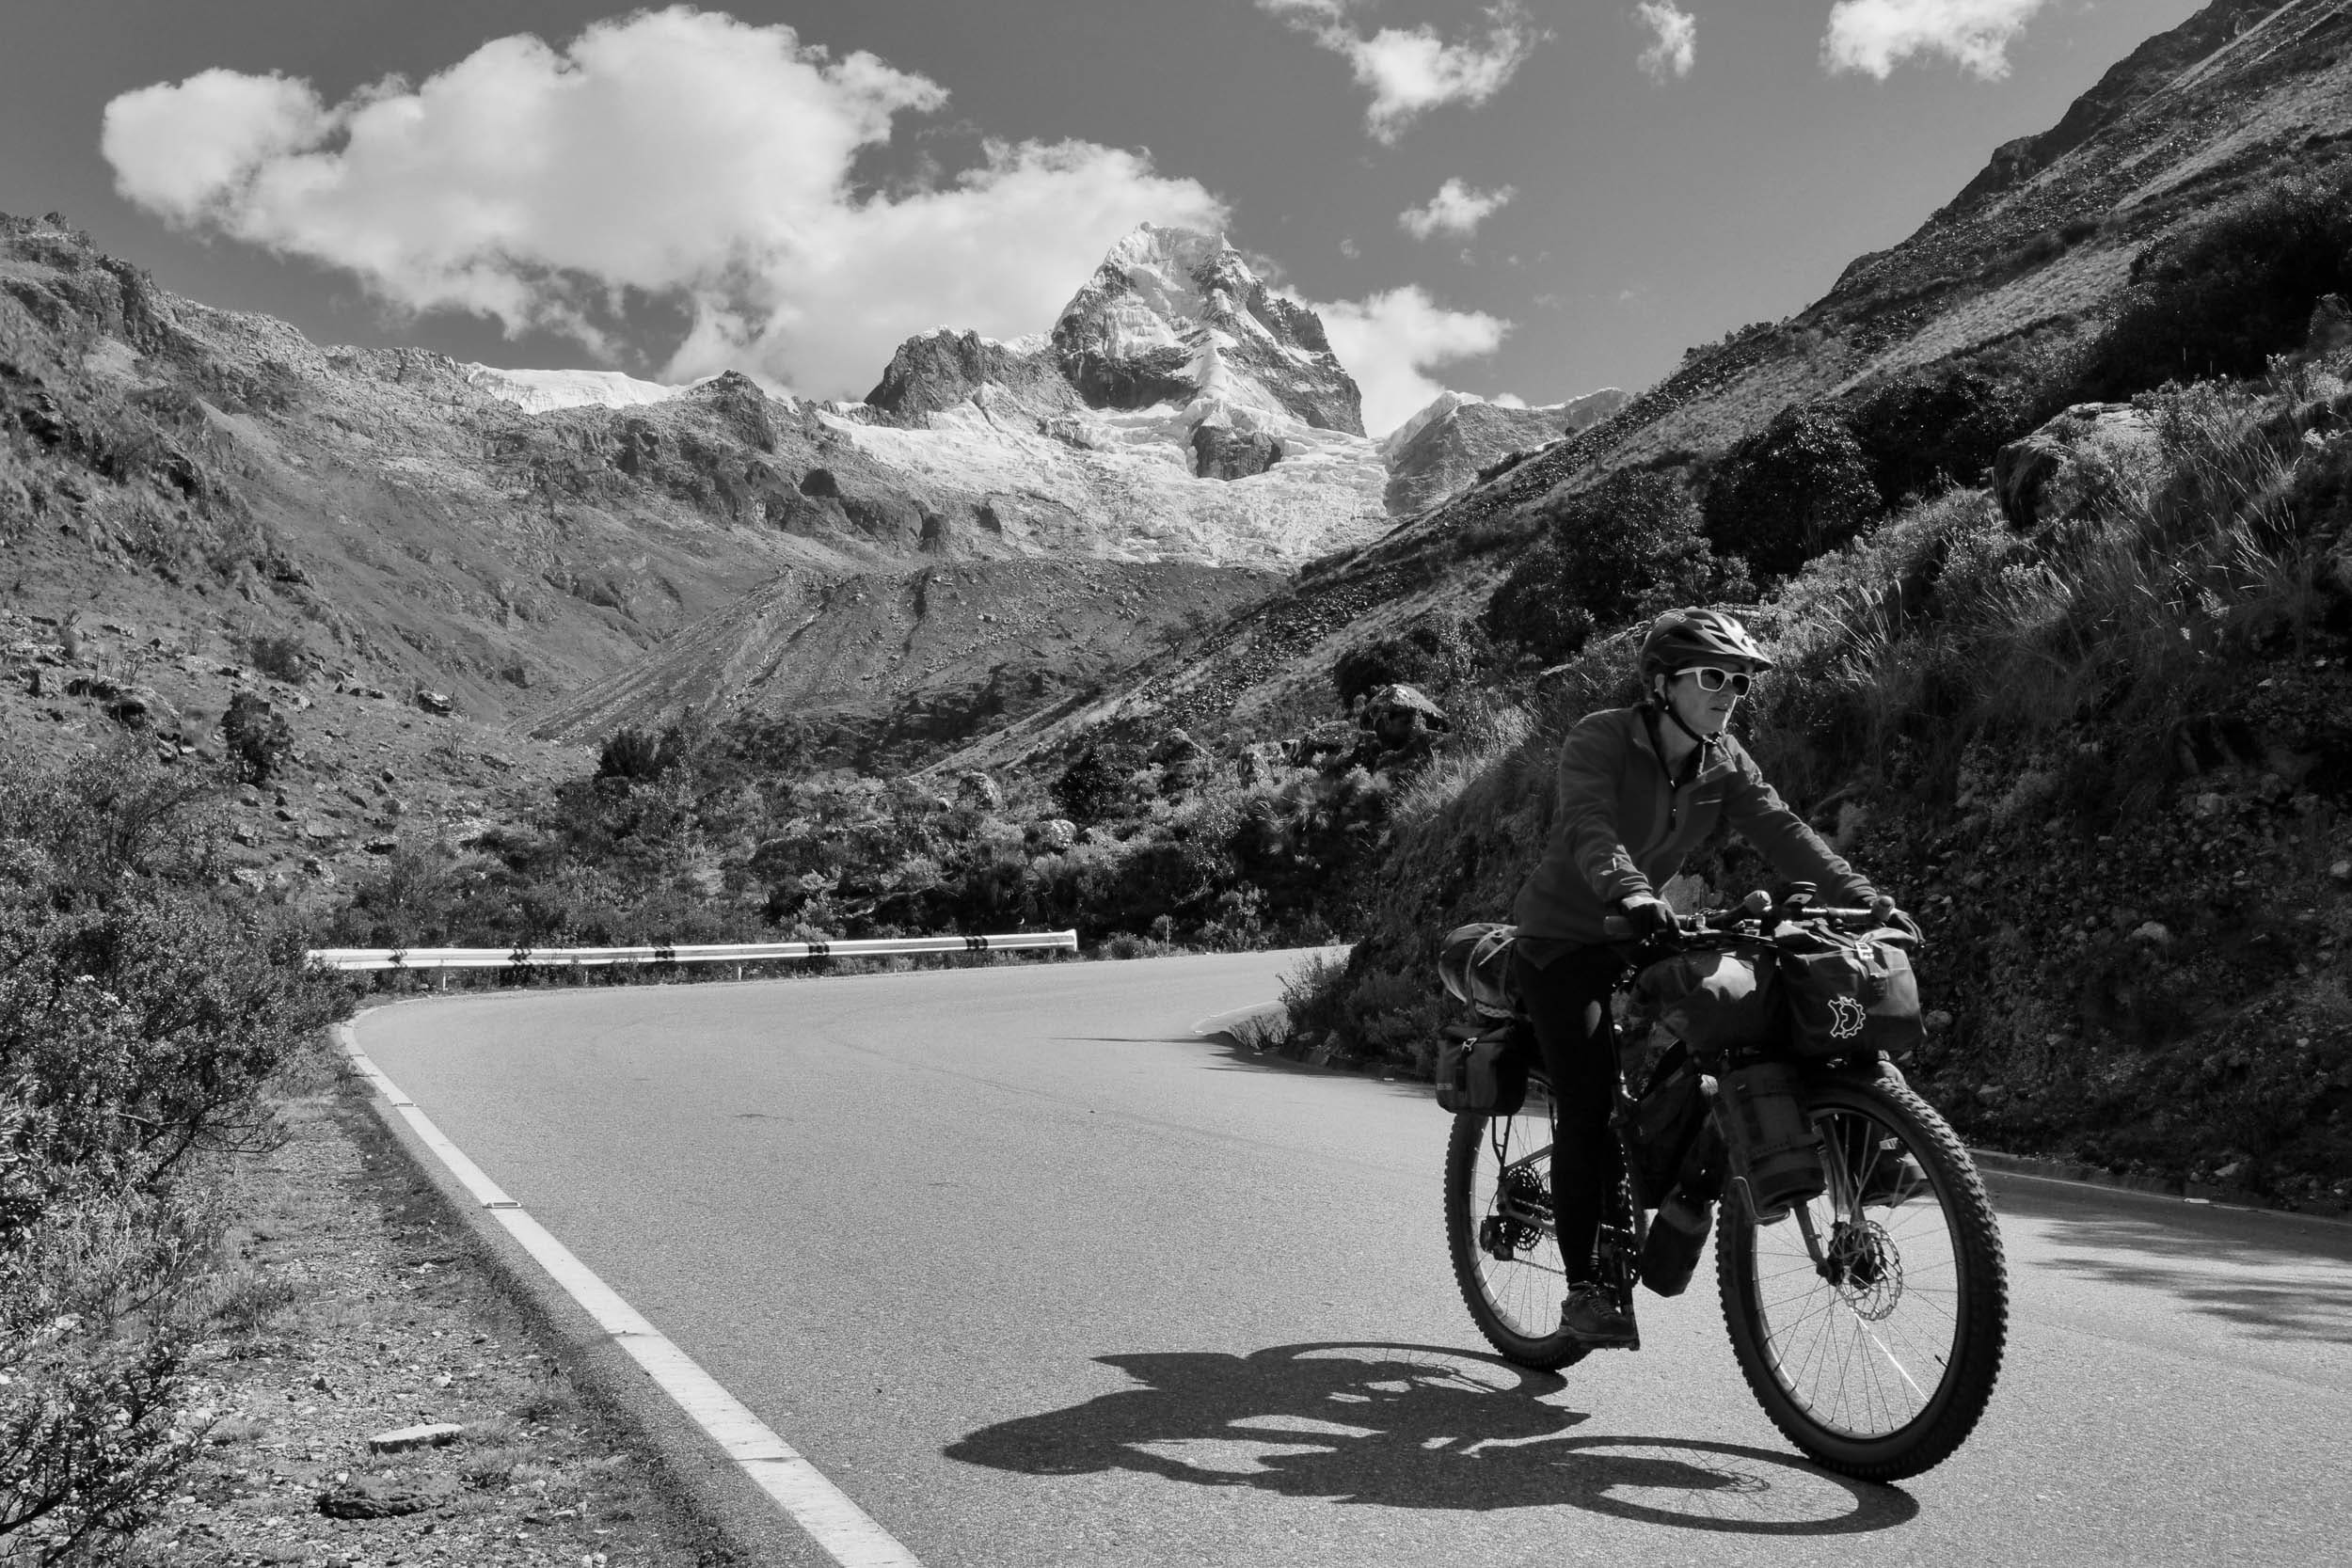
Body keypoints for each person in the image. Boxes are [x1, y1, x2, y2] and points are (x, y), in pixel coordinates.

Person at [1508, 607, 1915, 1348]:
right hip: (1564, 940)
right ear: (1662, 684)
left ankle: (1707, 1177)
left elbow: (1784, 830)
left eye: (1740, 681)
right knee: (1590, 1099)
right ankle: (1588, 1287)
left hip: (1645, 928)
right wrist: (1629, 888)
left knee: (1740, 1024)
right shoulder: (1600, 737)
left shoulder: (1723, 757)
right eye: (1713, 677)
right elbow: (1588, 825)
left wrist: (1866, 900)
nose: (1730, 691)